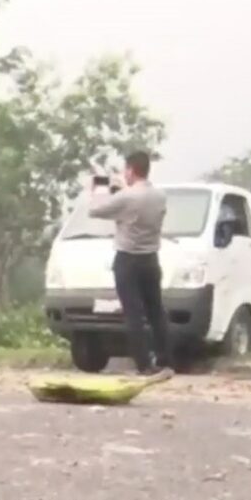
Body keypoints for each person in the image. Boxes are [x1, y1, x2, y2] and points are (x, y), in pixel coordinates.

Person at [88, 151, 172, 375]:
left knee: (134, 313)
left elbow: (95, 210)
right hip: (151, 259)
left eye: (126, 170)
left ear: (131, 170)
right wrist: (121, 189)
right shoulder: (160, 196)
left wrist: (100, 186)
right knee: (156, 310)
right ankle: (164, 359)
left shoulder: (127, 197)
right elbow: (131, 207)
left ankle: (144, 364)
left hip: (128, 260)